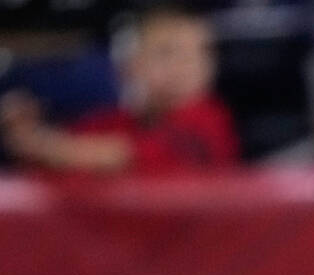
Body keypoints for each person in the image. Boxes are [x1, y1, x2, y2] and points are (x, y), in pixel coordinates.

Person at [0, 5, 237, 173]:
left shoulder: (209, 119)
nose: (186, 66)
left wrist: (38, 143)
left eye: (201, 53)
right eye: (166, 53)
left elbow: (118, 156)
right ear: (130, 64)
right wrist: (26, 132)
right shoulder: (115, 122)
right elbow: (63, 154)